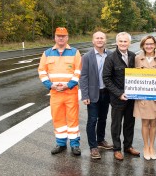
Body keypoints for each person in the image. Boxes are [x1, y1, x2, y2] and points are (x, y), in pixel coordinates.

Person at [38, 27, 82, 156]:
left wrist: (69, 85)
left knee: (73, 119)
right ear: (55, 37)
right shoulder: (47, 53)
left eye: (63, 36)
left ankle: (75, 145)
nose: (61, 38)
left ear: (67, 37)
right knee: (58, 118)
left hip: (70, 92)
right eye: (58, 36)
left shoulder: (75, 52)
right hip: (55, 93)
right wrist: (50, 85)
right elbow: (42, 71)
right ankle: (61, 143)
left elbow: (78, 71)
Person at [102, 32, 140, 161]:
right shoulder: (111, 58)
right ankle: (117, 149)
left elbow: (137, 75)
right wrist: (119, 94)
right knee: (116, 124)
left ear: (129, 43)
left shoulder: (133, 56)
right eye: (121, 41)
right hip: (118, 98)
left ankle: (128, 146)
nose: (123, 44)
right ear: (117, 42)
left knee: (130, 123)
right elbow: (106, 79)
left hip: (131, 98)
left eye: (125, 41)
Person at [79, 31, 113, 160]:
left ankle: (101, 141)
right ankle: (93, 147)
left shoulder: (111, 54)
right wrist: (85, 95)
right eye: (97, 38)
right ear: (93, 41)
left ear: (105, 40)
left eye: (102, 38)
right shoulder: (87, 56)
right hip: (93, 94)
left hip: (107, 93)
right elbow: (83, 77)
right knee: (92, 120)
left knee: (103, 119)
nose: (100, 40)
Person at [133, 35, 156, 160]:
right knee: (144, 122)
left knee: (153, 123)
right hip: (143, 97)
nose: (149, 46)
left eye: (151, 44)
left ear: (155, 45)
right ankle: (145, 146)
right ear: (142, 45)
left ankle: (152, 147)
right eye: (146, 44)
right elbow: (134, 78)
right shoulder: (137, 58)